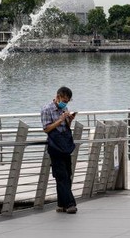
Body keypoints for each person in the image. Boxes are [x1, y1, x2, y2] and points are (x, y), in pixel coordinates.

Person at [40, 86, 78, 214]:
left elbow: (65, 127)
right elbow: (46, 129)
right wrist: (60, 119)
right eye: (64, 100)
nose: (65, 103)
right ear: (58, 96)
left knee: (67, 174)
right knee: (61, 175)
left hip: (65, 146)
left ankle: (61, 204)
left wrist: (69, 120)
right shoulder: (47, 109)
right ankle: (70, 204)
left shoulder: (64, 109)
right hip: (55, 147)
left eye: (67, 101)